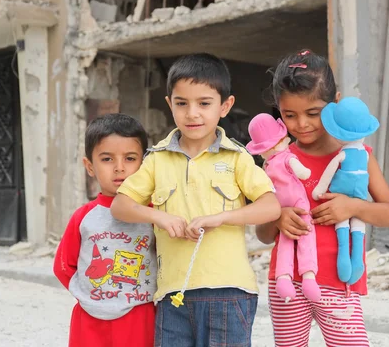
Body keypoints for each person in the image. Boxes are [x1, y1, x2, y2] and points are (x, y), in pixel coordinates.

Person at [110, 53, 281, 347]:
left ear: (225, 106)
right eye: (182, 103)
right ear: (169, 105)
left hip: (229, 292)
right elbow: (120, 205)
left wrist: (221, 218)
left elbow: (271, 206)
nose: (192, 113)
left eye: (204, 103)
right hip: (172, 295)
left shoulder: (237, 157)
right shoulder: (156, 160)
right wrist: (160, 217)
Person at [256, 49, 389, 347]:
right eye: (289, 115)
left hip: (339, 283)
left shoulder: (356, 156)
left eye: (313, 113)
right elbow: (262, 234)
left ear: (335, 101)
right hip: (288, 284)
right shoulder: (276, 162)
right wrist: (278, 218)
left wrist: (354, 207)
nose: (301, 124)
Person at [53, 113, 156, 347]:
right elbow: (63, 265)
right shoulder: (84, 217)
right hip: (89, 319)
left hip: (140, 316)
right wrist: (89, 295)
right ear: (90, 166)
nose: (119, 168)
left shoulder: (152, 214)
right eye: (107, 159)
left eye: (130, 158)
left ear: (144, 164)